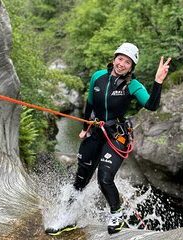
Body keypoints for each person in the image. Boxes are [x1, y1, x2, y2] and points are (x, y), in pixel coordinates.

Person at [47, 42, 171, 235]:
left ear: (131, 67)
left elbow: (151, 105)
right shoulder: (98, 77)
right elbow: (89, 104)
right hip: (95, 131)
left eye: (127, 62)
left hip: (116, 135)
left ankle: (117, 214)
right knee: (80, 178)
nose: (121, 64)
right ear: (114, 58)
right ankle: (68, 218)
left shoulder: (133, 85)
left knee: (104, 179)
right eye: (120, 58)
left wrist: (158, 82)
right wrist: (85, 128)